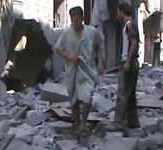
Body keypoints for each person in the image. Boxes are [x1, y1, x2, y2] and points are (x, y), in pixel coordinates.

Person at [55, 6, 104, 142]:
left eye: (77, 20)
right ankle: (77, 127)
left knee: (87, 98)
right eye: (72, 21)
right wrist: (69, 56)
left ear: (82, 18)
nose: (75, 23)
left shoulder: (92, 32)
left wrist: (100, 62)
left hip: (87, 70)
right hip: (72, 71)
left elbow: (100, 45)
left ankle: (83, 122)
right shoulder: (66, 33)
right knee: (74, 101)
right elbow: (58, 49)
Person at [113, 2, 140, 132]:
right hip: (131, 62)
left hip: (129, 62)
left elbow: (134, 43)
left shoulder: (129, 26)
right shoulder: (130, 25)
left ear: (122, 11)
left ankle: (118, 122)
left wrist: (128, 61)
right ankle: (133, 122)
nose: (117, 14)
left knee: (123, 92)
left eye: (118, 11)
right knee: (130, 94)